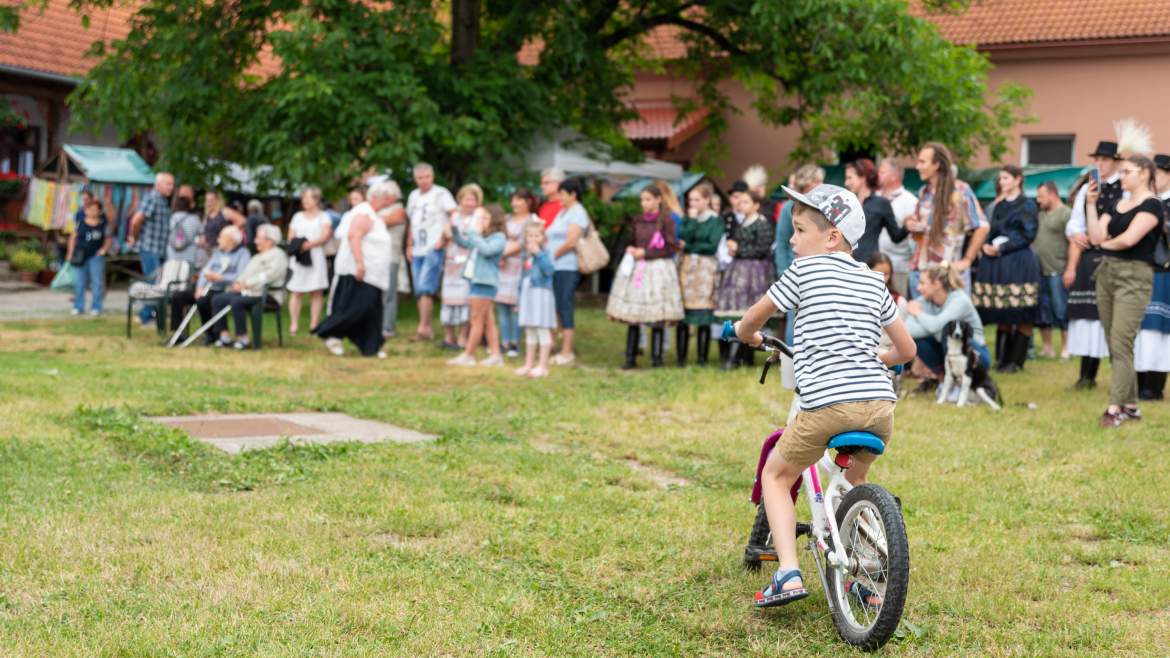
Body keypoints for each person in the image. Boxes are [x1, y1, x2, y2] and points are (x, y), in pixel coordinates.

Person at [733, 183, 915, 609]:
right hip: (879, 407)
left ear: (831, 237)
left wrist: (746, 335)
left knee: (777, 477)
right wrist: (879, 356)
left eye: (798, 230)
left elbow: (752, 319)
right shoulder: (874, 281)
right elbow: (907, 352)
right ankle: (865, 572)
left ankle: (788, 573)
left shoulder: (805, 271)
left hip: (827, 405)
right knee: (854, 483)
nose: (792, 240)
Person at [1087, 154, 1162, 427]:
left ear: (1144, 173)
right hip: (1107, 273)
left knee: (1120, 341)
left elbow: (1129, 239)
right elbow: (1096, 235)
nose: (1122, 176)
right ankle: (1131, 406)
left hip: (1134, 276)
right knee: (1115, 342)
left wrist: (1103, 244)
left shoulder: (1153, 206)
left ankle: (1114, 407)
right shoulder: (1115, 202)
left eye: (1127, 171)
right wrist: (1091, 205)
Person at [313, 180, 397, 358]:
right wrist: (360, 263)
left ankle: (370, 346)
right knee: (357, 308)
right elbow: (354, 235)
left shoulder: (373, 215)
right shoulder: (364, 212)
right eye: (386, 199)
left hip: (374, 275)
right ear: (376, 197)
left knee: (371, 311)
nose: (388, 203)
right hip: (361, 272)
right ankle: (328, 331)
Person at [1065, 140, 1125, 388]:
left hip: (1116, 255)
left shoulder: (1126, 187)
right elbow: (1074, 223)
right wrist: (1075, 237)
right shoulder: (1087, 189)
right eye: (1097, 159)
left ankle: (1119, 377)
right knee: (1087, 315)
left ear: (1116, 162)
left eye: (1105, 159)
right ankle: (1086, 375)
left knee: (1111, 317)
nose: (1099, 164)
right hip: (1090, 256)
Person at [972, 165, 1042, 373]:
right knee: (1002, 311)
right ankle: (1002, 360)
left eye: (1005, 177)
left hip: (1019, 261)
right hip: (999, 262)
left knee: (1021, 310)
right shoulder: (999, 205)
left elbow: (1028, 234)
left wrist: (1002, 246)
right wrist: (987, 244)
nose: (1001, 181)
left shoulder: (1028, 205)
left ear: (1017, 179)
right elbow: (992, 229)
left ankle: (1016, 361)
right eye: (1000, 178)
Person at [606, 185, 684, 369]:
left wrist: (647, 253)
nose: (644, 203)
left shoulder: (666, 221)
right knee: (635, 315)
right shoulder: (638, 220)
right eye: (642, 200)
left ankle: (657, 358)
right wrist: (631, 249)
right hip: (639, 269)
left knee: (656, 315)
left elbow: (671, 247)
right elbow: (633, 241)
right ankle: (630, 357)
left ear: (658, 199)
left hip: (658, 269)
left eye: (648, 199)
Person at [905, 143, 989, 296]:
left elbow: (982, 226)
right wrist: (910, 223)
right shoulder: (924, 192)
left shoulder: (961, 191)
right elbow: (920, 227)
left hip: (948, 274)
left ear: (937, 164)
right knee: (920, 318)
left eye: (922, 162)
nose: (917, 166)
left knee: (949, 320)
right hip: (921, 272)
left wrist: (967, 260)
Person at [904, 262, 991, 389]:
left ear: (937, 284)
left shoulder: (960, 300)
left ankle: (960, 384)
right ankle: (943, 381)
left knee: (948, 335)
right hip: (949, 352)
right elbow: (908, 331)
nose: (918, 288)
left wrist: (918, 314)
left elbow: (940, 327)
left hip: (978, 356)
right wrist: (934, 326)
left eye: (922, 283)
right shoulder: (924, 300)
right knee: (919, 340)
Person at [716, 191, 775, 370]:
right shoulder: (741, 222)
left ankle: (736, 359)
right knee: (738, 313)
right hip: (738, 271)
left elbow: (762, 249)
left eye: (746, 202)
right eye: (740, 202)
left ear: (756, 205)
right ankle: (741, 358)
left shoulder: (762, 223)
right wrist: (733, 248)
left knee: (748, 313)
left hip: (755, 273)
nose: (741, 206)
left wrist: (738, 249)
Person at [208, 224, 289, 349]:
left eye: (258, 238)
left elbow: (269, 276)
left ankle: (243, 338)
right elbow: (245, 274)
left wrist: (246, 284)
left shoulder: (278, 255)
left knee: (237, 302)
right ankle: (224, 336)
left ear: (269, 241)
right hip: (250, 292)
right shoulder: (257, 256)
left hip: (268, 295)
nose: (255, 241)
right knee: (218, 299)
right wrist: (238, 283)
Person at [447, 204, 508, 367]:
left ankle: (469, 355)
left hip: (485, 283)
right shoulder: (481, 237)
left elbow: (486, 250)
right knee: (488, 320)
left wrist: (474, 232)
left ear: (495, 220)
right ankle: (496, 355)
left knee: (476, 320)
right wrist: (454, 229)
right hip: (477, 281)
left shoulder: (499, 238)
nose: (482, 221)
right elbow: (464, 243)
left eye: (486, 218)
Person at [170, 226, 250, 343]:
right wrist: (200, 287)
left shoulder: (243, 254)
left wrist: (221, 278)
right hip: (207, 288)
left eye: (221, 237)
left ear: (231, 240)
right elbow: (205, 272)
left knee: (204, 301)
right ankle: (177, 334)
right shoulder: (217, 252)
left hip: (225, 290)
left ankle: (211, 334)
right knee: (178, 296)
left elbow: (241, 275)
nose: (218, 240)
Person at [405, 162, 457, 342]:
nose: (424, 181)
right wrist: (408, 245)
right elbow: (412, 222)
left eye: (427, 177)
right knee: (419, 287)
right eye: (420, 178)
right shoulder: (413, 196)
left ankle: (424, 327)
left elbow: (454, 215)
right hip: (417, 247)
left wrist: (443, 237)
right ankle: (425, 326)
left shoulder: (441, 194)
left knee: (426, 287)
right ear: (415, 179)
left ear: (432, 176)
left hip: (433, 246)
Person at [773, 165, 824, 344]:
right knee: (793, 319)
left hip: (818, 271)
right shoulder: (789, 208)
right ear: (806, 183)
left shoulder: (821, 207)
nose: (821, 184)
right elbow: (781, 244)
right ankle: (790, 361)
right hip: (794, 270)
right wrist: (784, 273)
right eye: (817, 181)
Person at [1135, 154, 1170, 400]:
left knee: (1159, 329)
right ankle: (1137, 382)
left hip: (1164, 271)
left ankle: (1154, 385)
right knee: (1139, 327)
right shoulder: (1145, 201)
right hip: (1140, 269)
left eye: (1157, 173)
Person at [677, 182, 722, 366]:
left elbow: (711, 246)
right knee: (684, 314)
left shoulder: (715, 220)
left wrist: (688, 246)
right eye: (690, 200)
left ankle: (702, 358)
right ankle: (681, 358)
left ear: (707, 200)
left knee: (704, 314)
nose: (693, 203)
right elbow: (682, 235)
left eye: (697, 199)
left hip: (705, 269)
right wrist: (692, 221)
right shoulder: (689, 218)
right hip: (687, 267)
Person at [547, 177, 590, 365]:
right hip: (556, 267)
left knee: (564, 306)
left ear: (573, 194)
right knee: (554, 306)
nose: (560, 198)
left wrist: (553, 255)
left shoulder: (578, 213)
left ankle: (567, 351)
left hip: (567, 266)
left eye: (562, 194)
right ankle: (552, 345)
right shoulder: (563, 212)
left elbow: (572, 241)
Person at [127, 172, 174, 325]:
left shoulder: (163, 200)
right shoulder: (152, 198)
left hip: (159, 249)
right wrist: (135, 237)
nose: (171, 187)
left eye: (172, 184)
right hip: (150, 248)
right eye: (168, 184)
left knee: (158, 283)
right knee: (153, 284)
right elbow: (136, 220)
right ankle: (146, 316)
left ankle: (150, 315)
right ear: (158, 184)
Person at [1033, 180, 1073, 359]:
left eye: (1041, 196)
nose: (1038, 200)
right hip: (1039, 271)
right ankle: (1047, 347)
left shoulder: (1066, 214)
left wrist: (1070, 269)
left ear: (1052, 194)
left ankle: (1066, 347)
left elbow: (1073, 243)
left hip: (1058, 270)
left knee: (1061, 310)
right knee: (1043, 312)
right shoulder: (1040, 214)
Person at [439, 184, 481, 350]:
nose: (470, 203)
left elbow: (472, 238)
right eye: (467, 199)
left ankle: (463, 337)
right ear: (460, 200)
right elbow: (446, 234)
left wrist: (453, 234)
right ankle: (449, 337)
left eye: (473, 199)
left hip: (468, 264)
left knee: (465, 300)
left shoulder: (478, 217)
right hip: (451, 263)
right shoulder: (453, 217)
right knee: (448, 299)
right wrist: (448, 234)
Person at [286, 187, 333, 335]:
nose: (305, 201)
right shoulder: (297, 216)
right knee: (296, 291)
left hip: (315, 256)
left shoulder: (324, 216)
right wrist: (299, 245)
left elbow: (325, 235)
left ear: (316, 200)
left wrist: (309, 245)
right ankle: (294, 324)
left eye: (309, 198)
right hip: (299, 256)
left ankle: (314, 324)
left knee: (316, 292)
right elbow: (290, 236)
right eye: (304, 198)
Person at [845, 159, 908, 265]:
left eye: (850, 178)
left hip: (868, 265)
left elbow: (896, 236)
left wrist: (907, 227)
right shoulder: (848, 201)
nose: (846, 183)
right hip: (846, 263)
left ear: (863, 178)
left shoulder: (881, 203)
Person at [495, 189, 535, 357]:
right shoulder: (506, 220)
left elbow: (522, 243)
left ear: (528, 202)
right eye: (513, 200)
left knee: (515, 307)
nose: (515, 204)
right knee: (501, 305)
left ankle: (515, 343)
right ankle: (504, 341)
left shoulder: (532, 221)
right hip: (502, 267)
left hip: (520, 268)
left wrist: (502, 254)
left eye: (519, 200)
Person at [515, 222, 557, 378]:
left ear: (543, 237)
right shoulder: (526, 255)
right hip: (528, 293)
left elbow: (549, 270)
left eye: (536, 235)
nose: (533, 238)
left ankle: (543, 366)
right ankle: (528, 364)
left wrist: (539, 254)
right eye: (530, 235)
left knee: (542, 327)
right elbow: (522, 277)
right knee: (530, 328)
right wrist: (519, 300)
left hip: (541, 293)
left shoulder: (545, 253)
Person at [876, 158, 919, 296]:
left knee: (897, 307)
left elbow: (915, 239)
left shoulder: (910, 202)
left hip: (898, 267)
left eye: (882, 172)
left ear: (894, 176)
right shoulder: (874, 198)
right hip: (873, 265)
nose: (878, 175)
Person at [65, 199, 112, 316]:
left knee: (97, 283)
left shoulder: (104, 225)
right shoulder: (80, 223)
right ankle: (78, 306)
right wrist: (70, 252)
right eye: (90, 209)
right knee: (79, 283)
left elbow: (108, 239)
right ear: (85, 211)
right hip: (80, 256)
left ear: (99, 211)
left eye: (95, 210)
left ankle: (96, 307)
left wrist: (104, 250)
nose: (92, 212)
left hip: (95, 257)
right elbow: (72, 238)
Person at [376, 181, 408, 340]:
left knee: (388, 294)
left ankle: (388, 327)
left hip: (391, 256)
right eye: (383, 195)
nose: (385, 198)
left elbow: (379, 223)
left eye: (389, 195)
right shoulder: (377, 210)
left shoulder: (399, 210)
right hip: (376, 257)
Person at [167, 196, 202, 268]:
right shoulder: (195, 219)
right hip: (189, 256)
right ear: (189, 206)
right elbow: (200, 236)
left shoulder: (171, 217)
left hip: (172, 255)